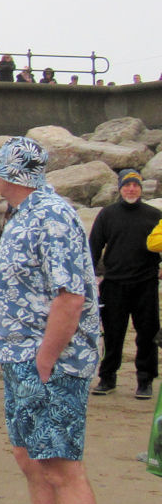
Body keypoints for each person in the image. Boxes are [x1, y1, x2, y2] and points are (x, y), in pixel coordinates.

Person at [0, 136, 100, 504]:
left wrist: (47, 359)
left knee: (61, 468)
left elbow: (70, 296)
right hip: (21, 358)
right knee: (31, 460)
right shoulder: (24, 214)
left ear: (11, 175)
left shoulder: (52, 215)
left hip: (50, 363)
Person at [88, 168, 161, 399]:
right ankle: (107, 377)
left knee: (147, 334)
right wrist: (88, 276)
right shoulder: (108, 214)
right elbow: (94, 246)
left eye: (136, 185)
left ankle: (145, 380)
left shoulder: (154, 215)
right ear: (120, 188)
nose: (131, 189)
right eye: (127, 185)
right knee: (113, 334)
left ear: (141, 189)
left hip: (146, 283)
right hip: (114, 284)